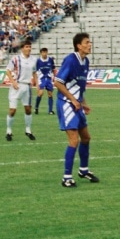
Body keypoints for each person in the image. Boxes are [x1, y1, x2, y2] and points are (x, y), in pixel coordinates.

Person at [54, 33, 98, 187]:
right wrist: (72, 99)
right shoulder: (71, 60)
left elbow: (79, 87)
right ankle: (66, 177)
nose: (90, 44)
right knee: (74, 140)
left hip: (77, 104)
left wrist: (83, 102)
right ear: (79, 45)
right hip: (66, 104)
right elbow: (58, 82)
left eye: (90, 42)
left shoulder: (85, 62)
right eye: (87, 42)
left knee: (86, 137)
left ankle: (83, 170)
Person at [5, 39, 38, 141]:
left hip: (27, 87)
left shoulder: (33, 59)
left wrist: (37, 83)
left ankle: (28, 130)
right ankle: (9, 131)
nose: (29, 49)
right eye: (27, 47)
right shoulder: (16, 59)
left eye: (30, 47)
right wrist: (13, 82)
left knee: (28, 109)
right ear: (22, 48)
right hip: (17, 86)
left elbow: (34, 72)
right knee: (13, 110)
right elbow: (8, 71)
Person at [34, 46, 56, 115]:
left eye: (46, 52)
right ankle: (36, 108)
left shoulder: (50, 60)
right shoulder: (38, 61)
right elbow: (35, 71)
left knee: (50, 94)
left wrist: (55, 78)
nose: (44, 54)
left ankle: (50, 110)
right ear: (41, 53)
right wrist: (36, 82)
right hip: (41, 78)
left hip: (49, 78)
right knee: (40, 93)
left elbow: (53, 69)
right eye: (43, 52)